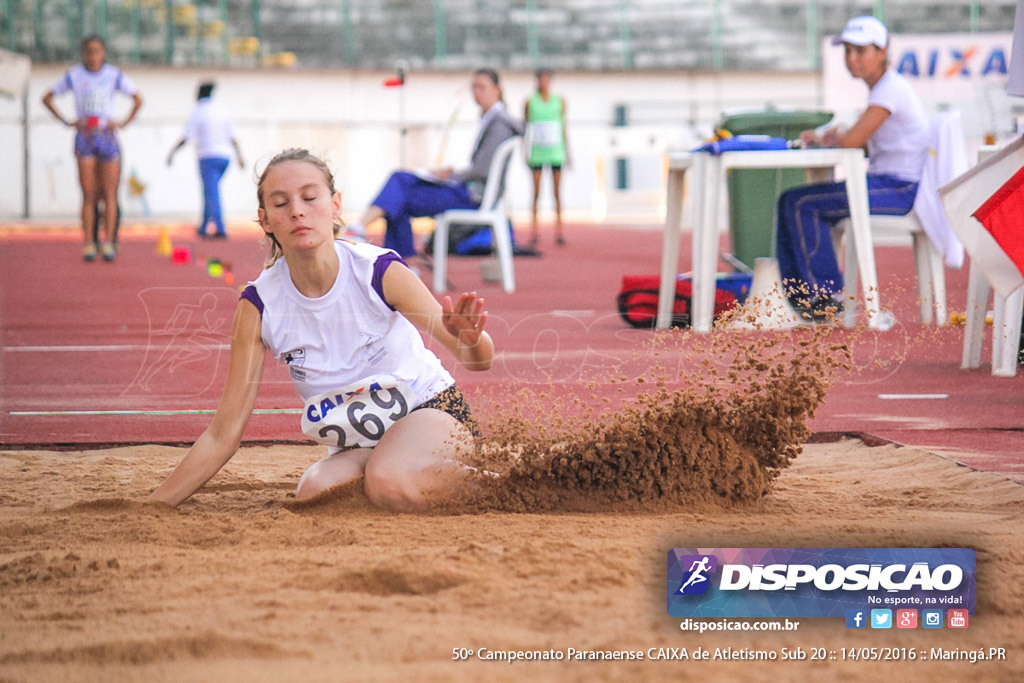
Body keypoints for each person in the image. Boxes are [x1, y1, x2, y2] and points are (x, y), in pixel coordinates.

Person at [148, 148, 494, 512]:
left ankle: (513, 486)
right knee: (316, 490)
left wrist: (472, 342)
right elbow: (223, 434)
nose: (297, 210)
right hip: (361, 446)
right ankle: (404, 485)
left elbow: (477, 361)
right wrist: (153, 506)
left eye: (310, 198)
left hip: (432, 414)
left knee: (386, 479)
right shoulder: (258, 307)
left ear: (335, 205)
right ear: (265, 220)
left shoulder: (378, 272)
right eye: (281, 204)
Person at [775, 15, 929, 317]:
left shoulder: (889, 89)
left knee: (800, 202)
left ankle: (823, 298)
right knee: (795, 202)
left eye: (861, 51)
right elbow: (864, 143)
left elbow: (852, 142)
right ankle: (808, 299)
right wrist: (835, 136)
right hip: (891, 182)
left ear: (882, 51)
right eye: (847, 51)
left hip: (899, 188)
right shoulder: (884, 88)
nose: (852, 58)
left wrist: (839, 137)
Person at [348, 68, 524, 266]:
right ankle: (402, 260)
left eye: (482, 87)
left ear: (497, 90)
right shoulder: (493, 120)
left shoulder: (499, 123)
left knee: (399, 186)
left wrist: (451, 176)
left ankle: (366, 232)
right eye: (474, 87)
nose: (477, 92)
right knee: (399, 189)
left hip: (472, 196)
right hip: (469, 191)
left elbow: (482, 170)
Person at [42, 35, 143, 262]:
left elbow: (138, 98)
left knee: (109, 193)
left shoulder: (113, 75)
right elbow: (47, 97)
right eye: (89, 51)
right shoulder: (74, 75)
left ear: (103, 53)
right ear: (84, 52)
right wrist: (67, 120)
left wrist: (124, 122)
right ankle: (88, 242)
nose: (93, 55)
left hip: (106, 134)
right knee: (88, 194)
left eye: (97, 51)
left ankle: (108, 242)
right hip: (85, 134)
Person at [167, 81, 245, 239]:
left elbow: (187, 136)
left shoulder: (198, 111)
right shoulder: (223, 110)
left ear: (199, 94)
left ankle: (220, 227)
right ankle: (203, 226)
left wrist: (172, 152)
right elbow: (233, 137)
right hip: (225, 157)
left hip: (208, 156)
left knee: (212, 192)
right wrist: (240, 157)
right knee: (210, 191)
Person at [524, 67, 569, 247]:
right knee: (536, 192)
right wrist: (524, 151)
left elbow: (564, 127)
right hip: (537, 152)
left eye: (548, 79)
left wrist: (568, 152)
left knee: (557, 192)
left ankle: (559, 231)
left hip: (556, 151)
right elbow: (525, 128)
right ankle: (534, 231)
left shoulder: (560, 101)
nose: (545, 82)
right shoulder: (530, 102)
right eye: (542, 78)